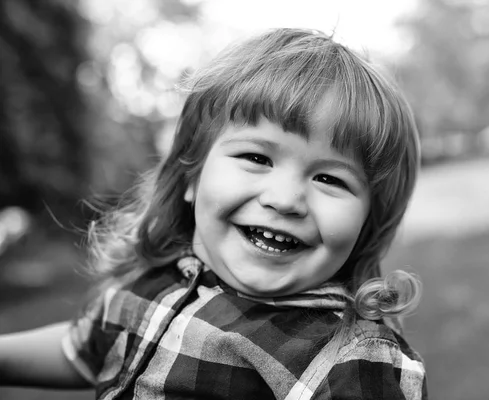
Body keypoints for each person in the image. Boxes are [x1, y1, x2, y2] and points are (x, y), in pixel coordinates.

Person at [0, 28, 427, 399]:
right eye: (257, 158)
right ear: (191, 176)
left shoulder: (350, 359)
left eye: (331, 180)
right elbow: (82, 350)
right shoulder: (157, 283)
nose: (284, 199)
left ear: (366, 223)